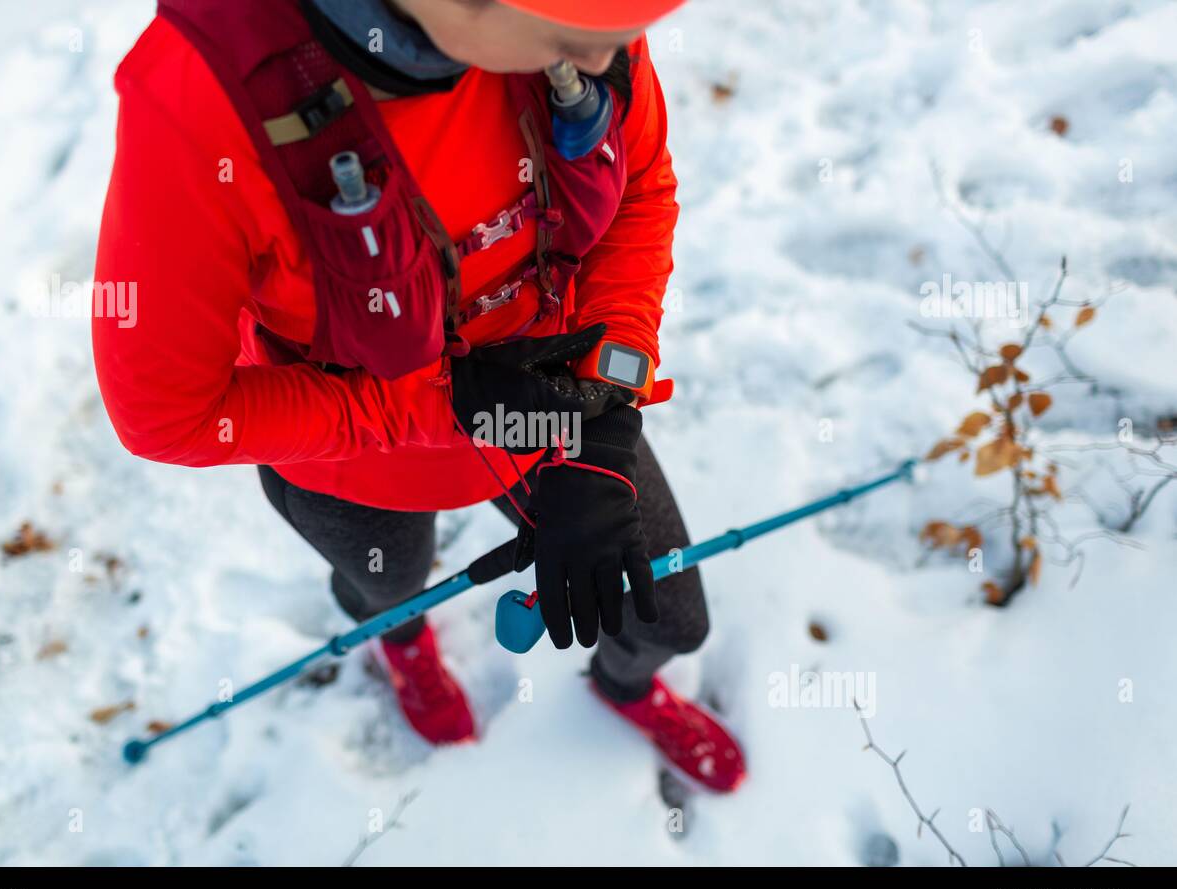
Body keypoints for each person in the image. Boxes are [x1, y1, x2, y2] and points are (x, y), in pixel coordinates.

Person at [93, 0, 744, 792]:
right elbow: (168, 412)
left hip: (558, 402)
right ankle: (400, 641)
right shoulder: (196, 105)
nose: (618, 55)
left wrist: (606, 400)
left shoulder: (589, 29)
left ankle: (624, 685)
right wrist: (445, 407)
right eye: (574, 37)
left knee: (671, 617)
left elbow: (637, 187)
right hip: (356, 465)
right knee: (388, 580)